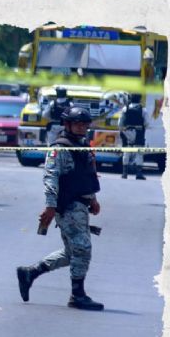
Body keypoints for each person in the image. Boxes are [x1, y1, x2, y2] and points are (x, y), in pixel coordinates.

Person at [16, 106, 104, 311]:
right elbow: (51, 177)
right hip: (68, 205)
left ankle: (30, 273)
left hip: (81, 204)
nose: (82, 127)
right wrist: (50, 206)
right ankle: (77, 295)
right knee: (82, 248)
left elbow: (85, 175)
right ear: (67, 125)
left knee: (72, 252)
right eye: (77, 124)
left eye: (84, 124)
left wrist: (92, 198)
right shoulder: (60, 148)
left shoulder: (82, 146)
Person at [119, 93, 150, 180]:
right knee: (139, 153)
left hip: (127, 133)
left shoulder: (125, 109)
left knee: (126, 152)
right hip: (139, 133)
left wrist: (124, 130)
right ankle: (138, 174)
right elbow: (147, 123)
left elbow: (120, 123)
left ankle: (124, 173)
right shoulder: (143, 110)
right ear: (140, 99)